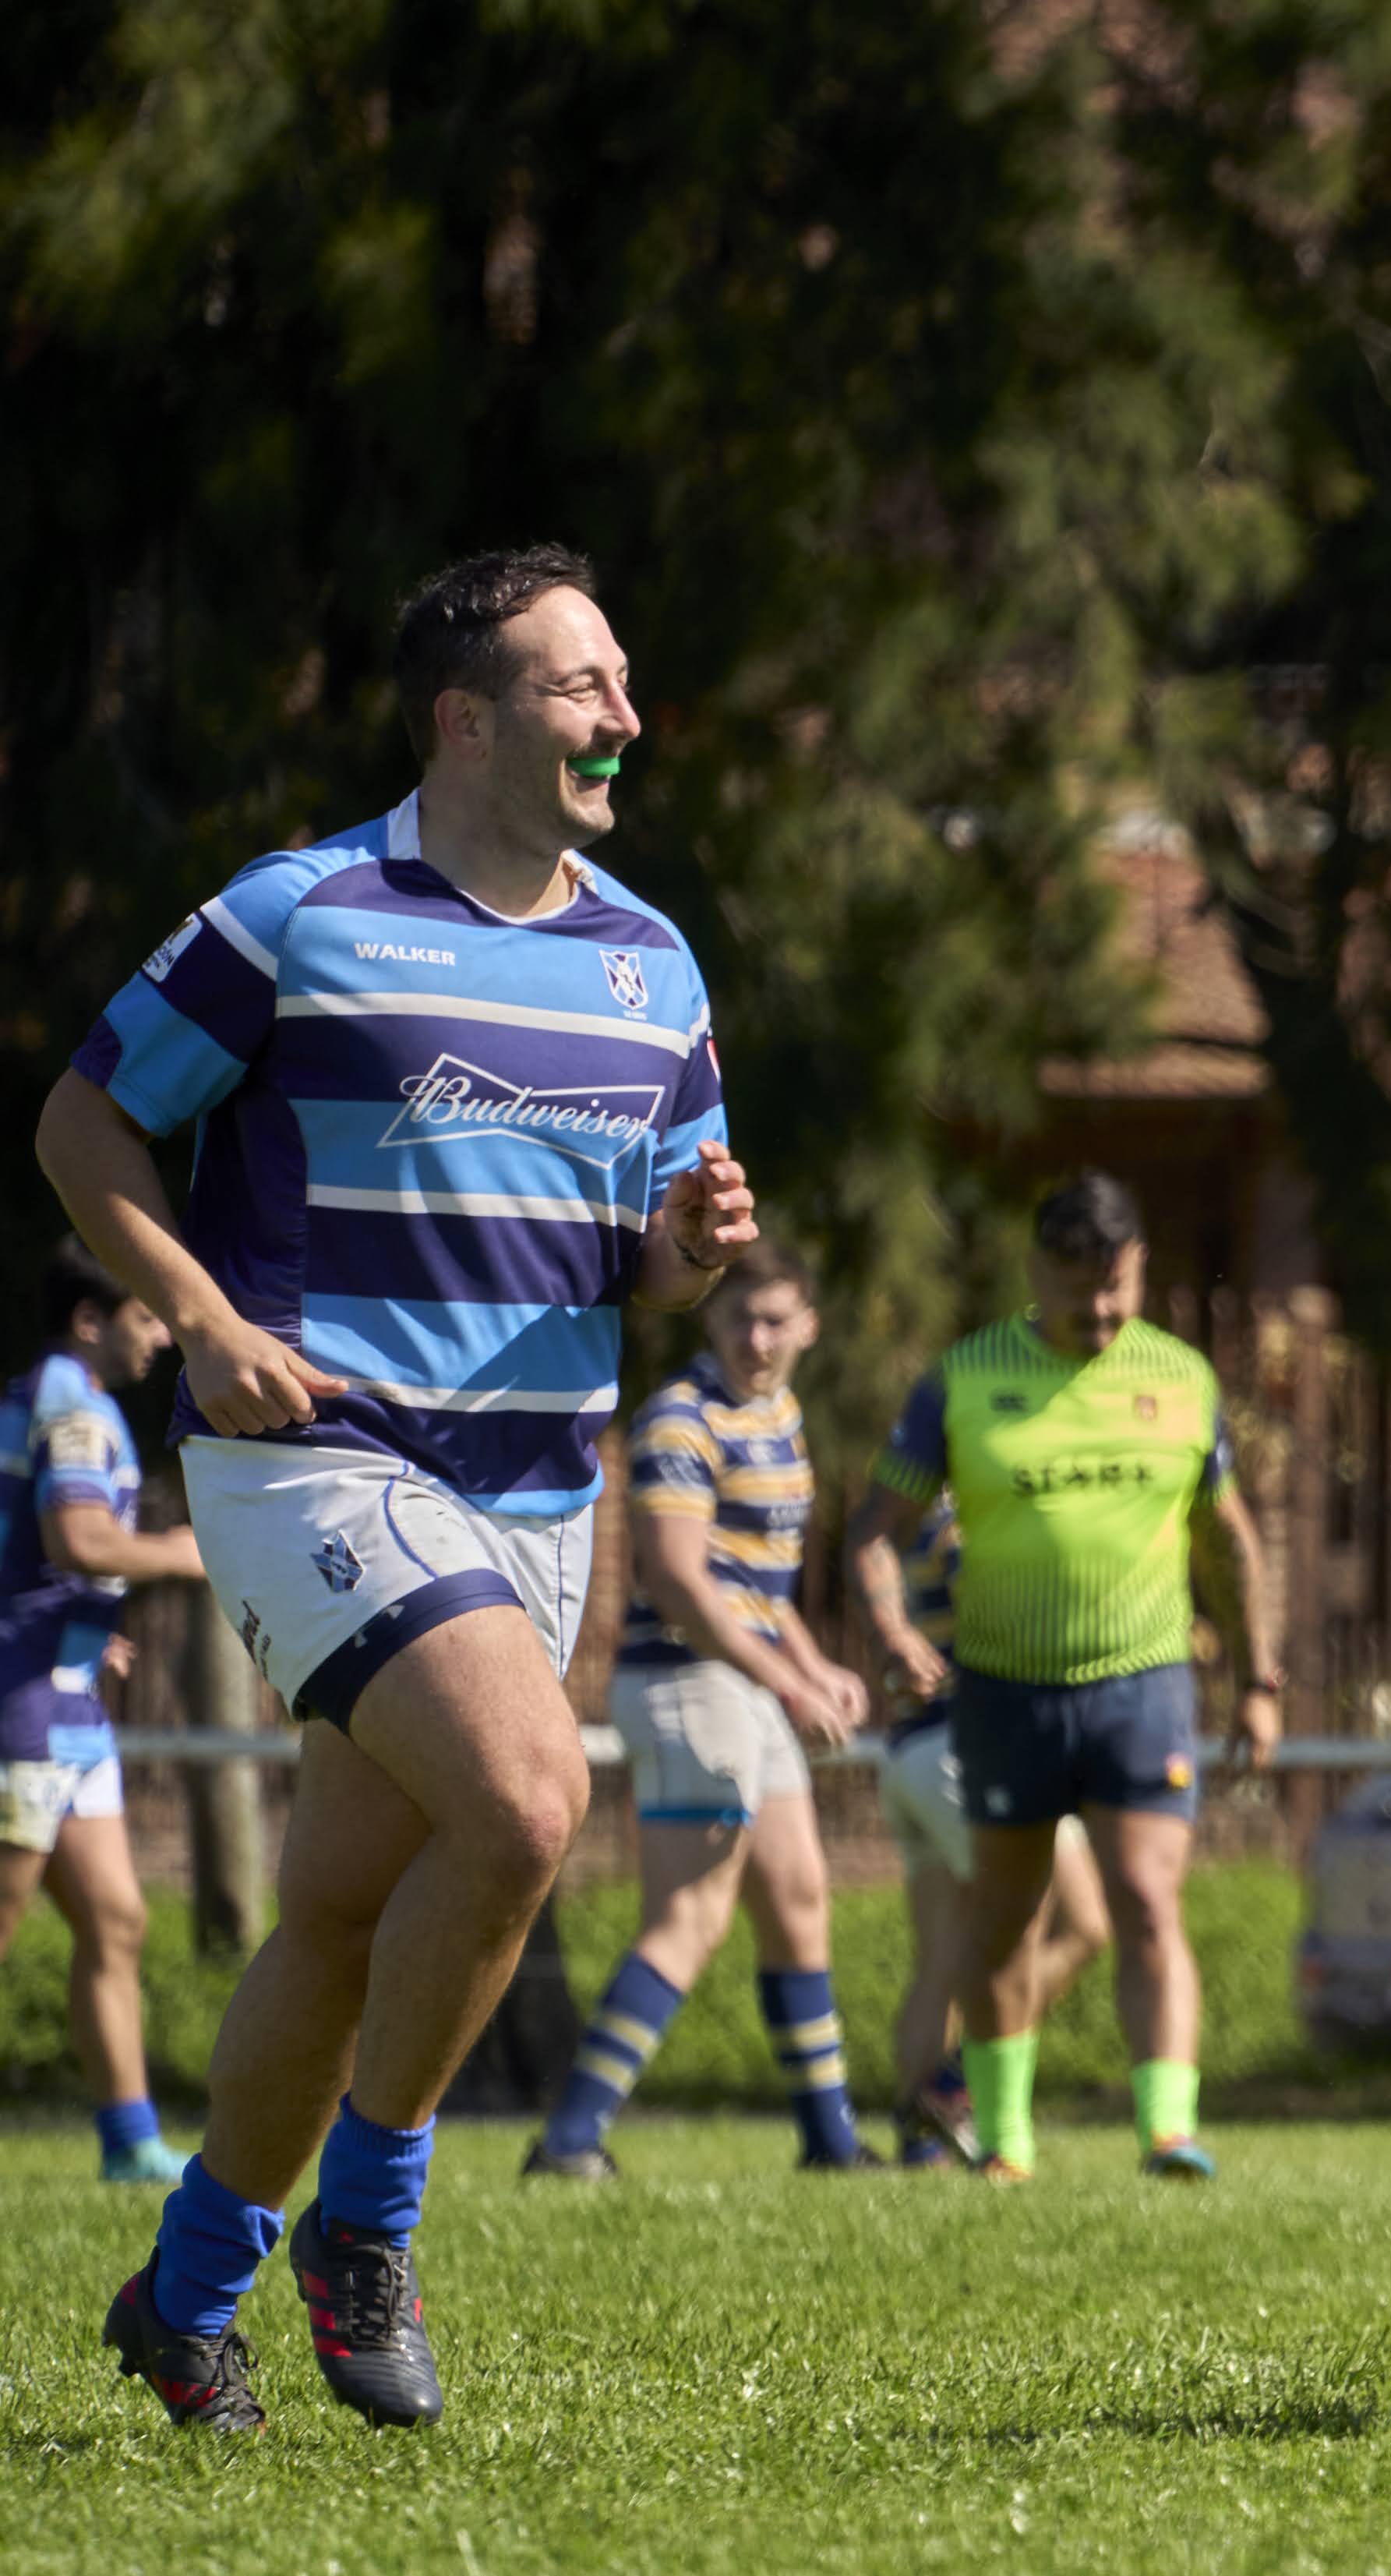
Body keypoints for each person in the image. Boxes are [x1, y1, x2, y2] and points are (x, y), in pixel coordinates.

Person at [39, 544, 754, 2433]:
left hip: (537, 1489)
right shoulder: (300, 912)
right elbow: (81, 1119)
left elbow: (658, 1244)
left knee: (348, 1915)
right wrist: (193, 1313)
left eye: (621, 678)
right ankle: (370, 2229)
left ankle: (185, 2297)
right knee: (529, 1801)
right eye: (579, 684)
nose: (624, 714)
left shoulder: (651, 957)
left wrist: (694, 1240)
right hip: (319, 1456)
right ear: (466, 718)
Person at [847, 1172, 1280, 2182]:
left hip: (1144, 1683)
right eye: (1081, 1287)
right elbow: (875, 1527)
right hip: (1005, 1688)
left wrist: (1261, 1678)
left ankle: (1168, 2130)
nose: (1101, 1309)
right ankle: (1005, 2140)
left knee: (1144, 1897)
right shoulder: (964, 1379)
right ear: (1038, 1270)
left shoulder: (1179, 1378)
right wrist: (891, 1624)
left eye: (1120, 1286)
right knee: (1007, 1914)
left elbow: (1230, 1538)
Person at [524, 1242, 877, 2178]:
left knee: (800, 1900)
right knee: (691, 1914)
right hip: (686, 1681)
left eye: (774, 1320)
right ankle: (569, 2136)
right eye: (738, 1319)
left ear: (807, 1324)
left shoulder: (782, 1415)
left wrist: (811, 1663)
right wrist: (790, 1682)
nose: (756, 1338)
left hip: (747, 1680)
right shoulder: (681, 1416)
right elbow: (679, 1581)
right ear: (712, 1320)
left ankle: (831, 2140)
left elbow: (759, 1590)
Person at [0, 1236, 203, 2184]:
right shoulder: (70, 1404)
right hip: (24, 1700)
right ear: (92, 1321)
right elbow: (79, 1537)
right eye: (146, 1314)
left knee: (117, 1916)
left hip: (66, 1694)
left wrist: (91, 1631)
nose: (163, 1334)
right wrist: (193, 1552)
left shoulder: (69, 1402)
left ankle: (129, 2142)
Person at [849, 1486, 1114, 2168]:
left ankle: (919, 2143)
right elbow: (1006, 1622)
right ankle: (952, 2085)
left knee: (941, 1957)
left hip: (908, 1753)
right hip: (966, 1751)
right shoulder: (966, 1521)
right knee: (1079, 1924)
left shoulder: (908, 1521)